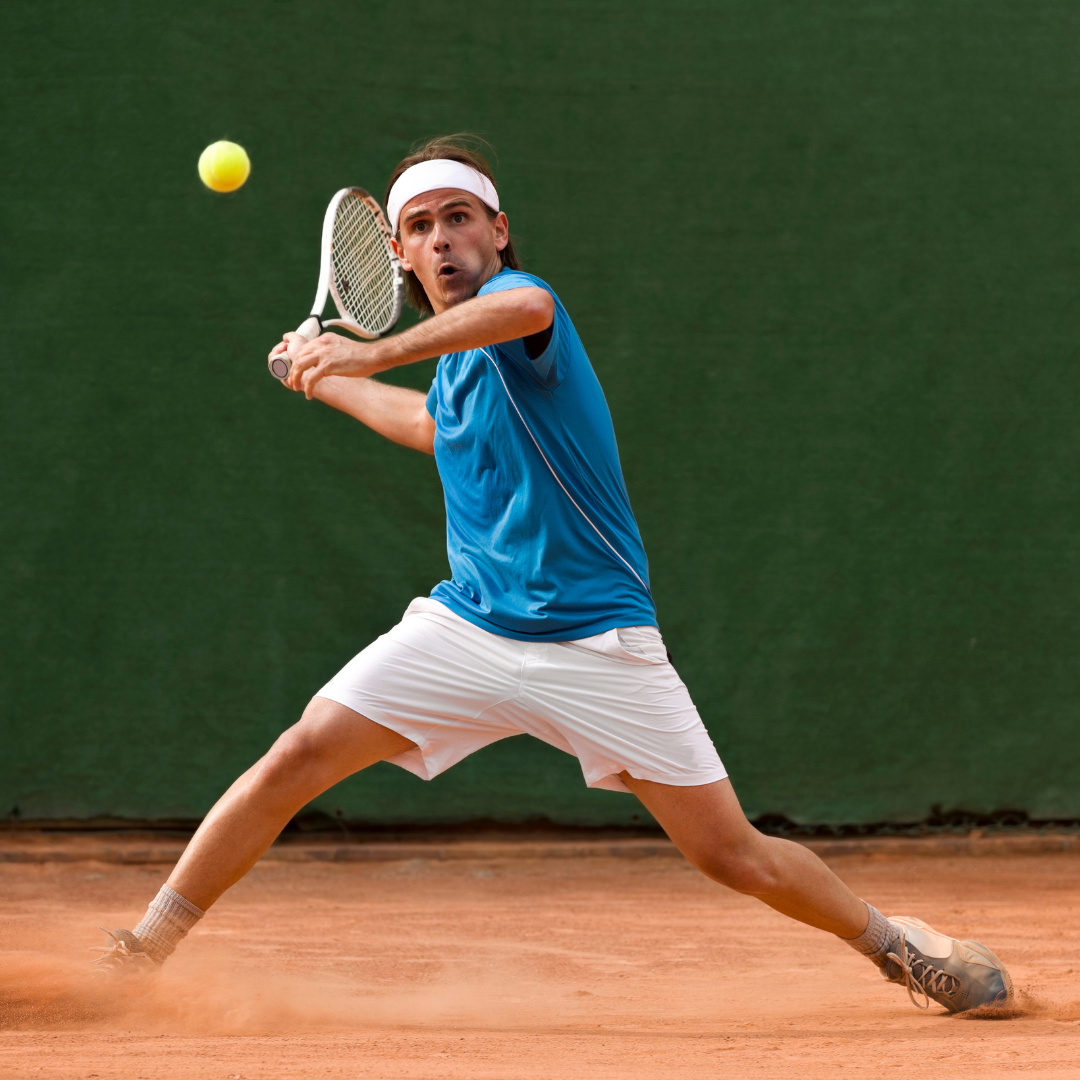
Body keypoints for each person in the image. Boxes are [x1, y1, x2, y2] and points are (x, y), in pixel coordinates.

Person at [93, 136, 1012, 1015]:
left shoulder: (525, 309)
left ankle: (897, 946)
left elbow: (522, 312)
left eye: (460, 217)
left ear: (498, 231)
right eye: (419, 226)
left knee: (736, 857)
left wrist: (365, 351)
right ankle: (144, 949)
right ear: (399, 252)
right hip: (467, 628)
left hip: (597, 642)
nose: (442, 238)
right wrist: (320, 375)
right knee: (295, 755)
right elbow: (427, 428)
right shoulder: (453, 369)